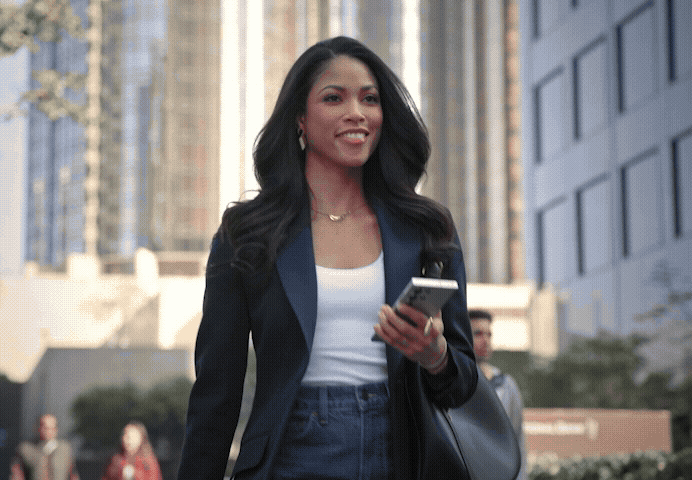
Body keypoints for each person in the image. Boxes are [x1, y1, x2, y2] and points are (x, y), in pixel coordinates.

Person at [177, 36, 477, 480]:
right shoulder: (247, 234)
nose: (357, 112)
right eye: (334, 98)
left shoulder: (427, 230)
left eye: (370, 99)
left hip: (403, 453)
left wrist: (436, 357)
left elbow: (464, 384)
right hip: (291, 453)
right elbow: (216, 391)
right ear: (300, 118)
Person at [469, 309, 527, 480]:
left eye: (489, 334)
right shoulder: (452, 384)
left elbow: (518, 440)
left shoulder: (506, 385)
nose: (485, 340)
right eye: (478, 334)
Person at [11, 414, 79, 480]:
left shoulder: (65, 449)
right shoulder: (26, 448)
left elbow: (73, 474)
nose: (49, 431)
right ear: (38, 428)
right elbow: (17, 474)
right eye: (45, 427)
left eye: (52, 428)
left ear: (56, 429)